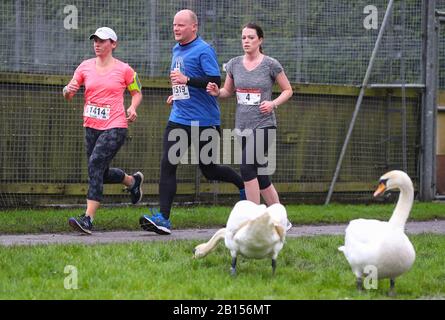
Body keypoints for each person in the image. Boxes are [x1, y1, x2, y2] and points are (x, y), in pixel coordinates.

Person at [139, 9, 246, 235]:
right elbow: (183, 83)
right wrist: (177, 93)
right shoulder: (176, 49)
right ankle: (164, 218)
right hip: (178, 119)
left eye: (181, 25)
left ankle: (242, 184)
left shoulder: (204, 50)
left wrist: (186, 80)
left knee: (209, 170)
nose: (176, 28)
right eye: (174, 25)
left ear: (193, 27)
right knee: (168, 165)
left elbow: (213, 80)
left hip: (204, 122)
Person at [63, 27, 144, 234]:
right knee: (100, 172)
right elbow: (69, 91)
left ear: (113, 44)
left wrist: (133, 107)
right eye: (95, 41)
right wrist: (68, 90)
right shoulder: (84, 66)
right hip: (91, 126)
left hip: (115, 125)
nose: (97, 44)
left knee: (95, 164)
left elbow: (137, 93)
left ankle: (88, 219)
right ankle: (132, 181)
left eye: (102, 41)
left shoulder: (125, 69)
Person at [206, 22, 293, 209]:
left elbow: (288, 90)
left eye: (251, 37)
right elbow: (227, 91)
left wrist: (273, 103)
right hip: (242, 126)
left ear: (260, 40)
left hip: (264, 124)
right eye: (244, 37)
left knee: (246, 167)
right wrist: (216, 92)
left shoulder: (271, 64)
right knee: (260, 174)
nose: (246, 41)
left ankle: (254, 216)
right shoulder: (234, 64)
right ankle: (280, 217)